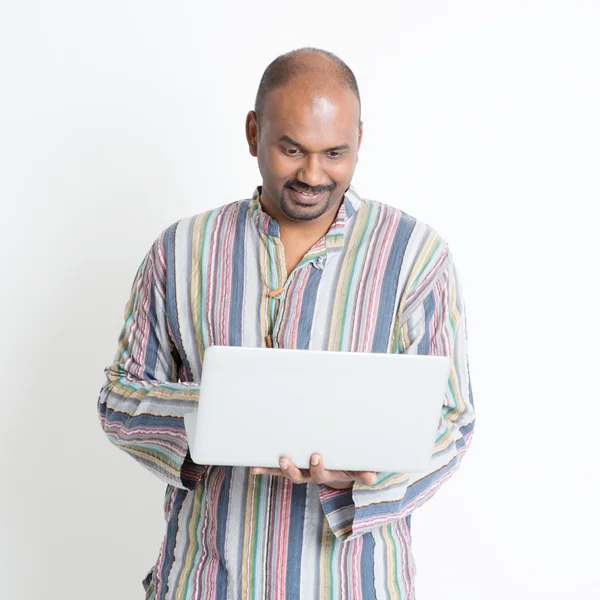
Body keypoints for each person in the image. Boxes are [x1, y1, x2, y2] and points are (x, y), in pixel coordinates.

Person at [97, 47, 476, 600]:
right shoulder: (180, 251)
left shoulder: (416, 256)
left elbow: (453, 421)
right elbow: (119, 399)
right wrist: (217, 415)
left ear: (360, 142)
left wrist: (358, 476)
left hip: (352, 585)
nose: (313, 175)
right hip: (205, 582)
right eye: (292, 149)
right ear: (254, 133)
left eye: (335, 153)